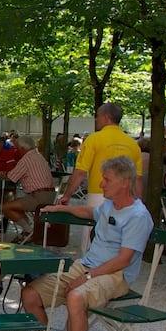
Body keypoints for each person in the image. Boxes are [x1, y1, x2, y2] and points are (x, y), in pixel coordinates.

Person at [17, 156, 153, 331]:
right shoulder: (110, 204)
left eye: (106, 179)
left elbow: (123, 260)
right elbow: (90, 212)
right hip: (86, 265)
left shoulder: (138, 216)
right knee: (30, 294)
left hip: (115, 275)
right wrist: (61, 208)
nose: (101, 184)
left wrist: (87, 276)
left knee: (76, 296)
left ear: (125, 182)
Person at [57, 103, 143, 253]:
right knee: (118, 240)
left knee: (90, 239)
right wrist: (140, 203)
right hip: (125, 198)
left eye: (97, 116)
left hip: (99, 194)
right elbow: (138, 179)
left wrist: (67, 195)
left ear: (106, 117)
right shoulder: (133, 144)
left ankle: (88, 269)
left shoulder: (94, 139)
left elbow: (80, 172)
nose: (96, 119)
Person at [1, 136, 56, 240]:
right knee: (17, 204)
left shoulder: (26, 159)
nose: (17, 151)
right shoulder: (38, 156)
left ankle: (30, 231)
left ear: (22, 148)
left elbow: (11, 177)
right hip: (50, 196)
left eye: (17, 148)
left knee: (7, 207)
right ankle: (28, 231)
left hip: (39, 198)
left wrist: (2, 174)